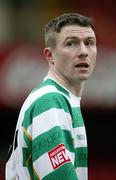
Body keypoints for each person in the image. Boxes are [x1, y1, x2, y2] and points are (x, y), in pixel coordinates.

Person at [6, 13, 97, 180]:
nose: (83, 51)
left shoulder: (60, 99)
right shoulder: (50, 102)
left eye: (89, 43)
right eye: (71, 43)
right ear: (50, 56)